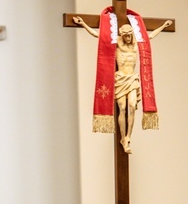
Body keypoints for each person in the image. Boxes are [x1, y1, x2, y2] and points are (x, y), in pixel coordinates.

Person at [74, 15, 172, 153]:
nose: (128, 38)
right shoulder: (116, 43)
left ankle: (127, 138)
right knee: (122, 107)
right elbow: (98, 35)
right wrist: (83, 23)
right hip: (120, 78)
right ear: (122, 35)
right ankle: (122, 137)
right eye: (125, 35)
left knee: (132, 106)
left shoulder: (136, 44)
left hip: (132, 78)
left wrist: (163, 26)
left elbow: (150, 36)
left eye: (130, 35)